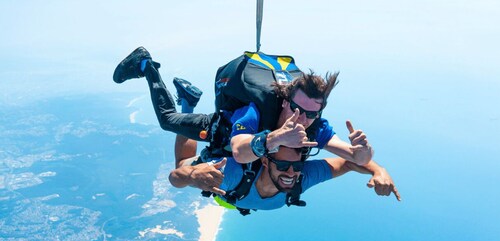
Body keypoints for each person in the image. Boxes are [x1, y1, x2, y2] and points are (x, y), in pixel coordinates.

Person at [113, 47, 372, 166]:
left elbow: (355, 157)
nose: (302, 118)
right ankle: (146, 65)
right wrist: (278, 137)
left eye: (312, 113)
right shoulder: (255, 111)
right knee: (168, 120)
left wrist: (363, 152)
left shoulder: (316, 126)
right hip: (223, 129)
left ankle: (188, 98)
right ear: (285, 101)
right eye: (297, 108)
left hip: (256, 152)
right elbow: (239, 151)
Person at [169, 142, 401, 212]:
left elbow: (351, 162)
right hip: (225, 186)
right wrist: (191, 174)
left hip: (234, 199)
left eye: (297, 165)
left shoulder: (304, 176)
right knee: (182, 162)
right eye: (283, 165)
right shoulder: (232, 172)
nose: (291, 173)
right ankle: (187, 102)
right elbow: (174, 178)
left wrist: (380, 171)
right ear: (266, 161)